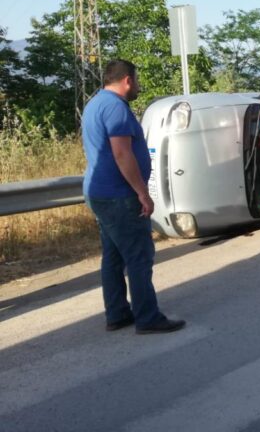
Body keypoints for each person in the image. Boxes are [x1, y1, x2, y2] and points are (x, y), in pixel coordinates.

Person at [82, 59, 185, 335]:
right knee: (139, 256)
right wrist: (143, 193)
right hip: (119, 195)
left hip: (100, 192)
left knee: (113, 256)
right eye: (136, 80)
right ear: (127, 80)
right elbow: (121, 153)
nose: (138, 86)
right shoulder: (116, 108)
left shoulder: (95, 103)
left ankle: (117, 314)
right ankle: (148, 318)